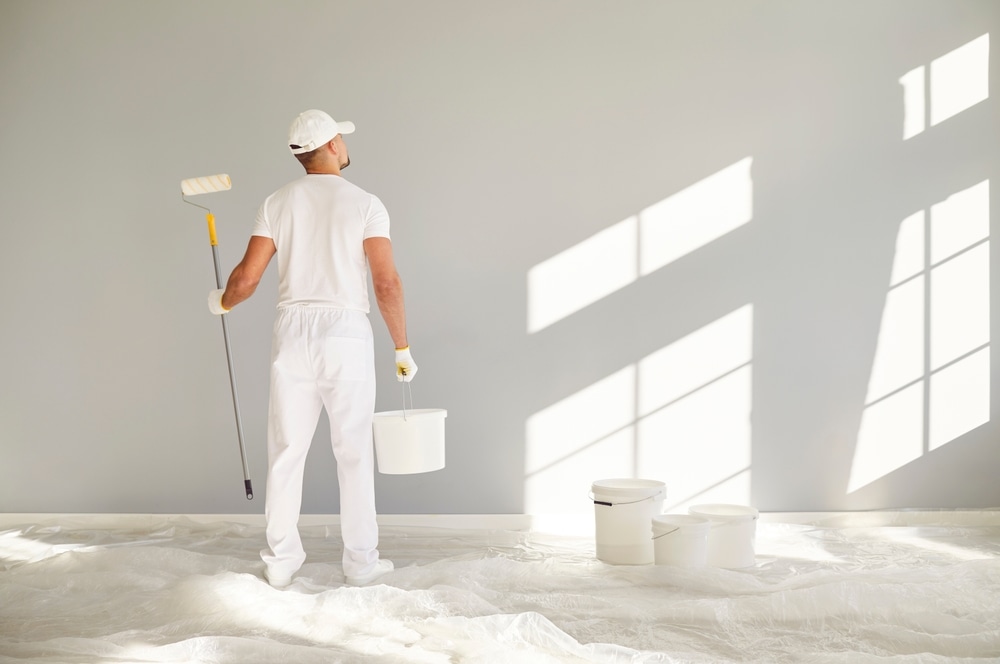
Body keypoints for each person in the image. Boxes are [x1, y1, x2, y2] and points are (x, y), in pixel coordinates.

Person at [206, 109, 417, 588]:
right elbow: (386, 282)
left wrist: (222, 302)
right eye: (341, 137)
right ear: (334, 146)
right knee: (354, 452)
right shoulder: (366, 204)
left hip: (293, 331)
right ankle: (361, 564)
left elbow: (246, 279)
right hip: (346, 330)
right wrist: (401, 347)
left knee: (286, 451)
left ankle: (281, 563)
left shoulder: (276, 203)